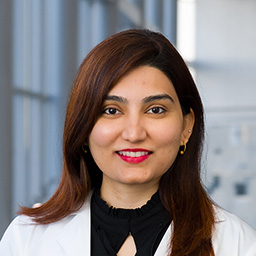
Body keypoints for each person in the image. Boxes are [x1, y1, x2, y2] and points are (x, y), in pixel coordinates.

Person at [1, 29, 256, 256]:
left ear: (186, 127)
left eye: (155, 110)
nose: (134, 134)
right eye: (111, 110)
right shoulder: (27, 240)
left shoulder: (237, 244)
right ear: (83, 126)